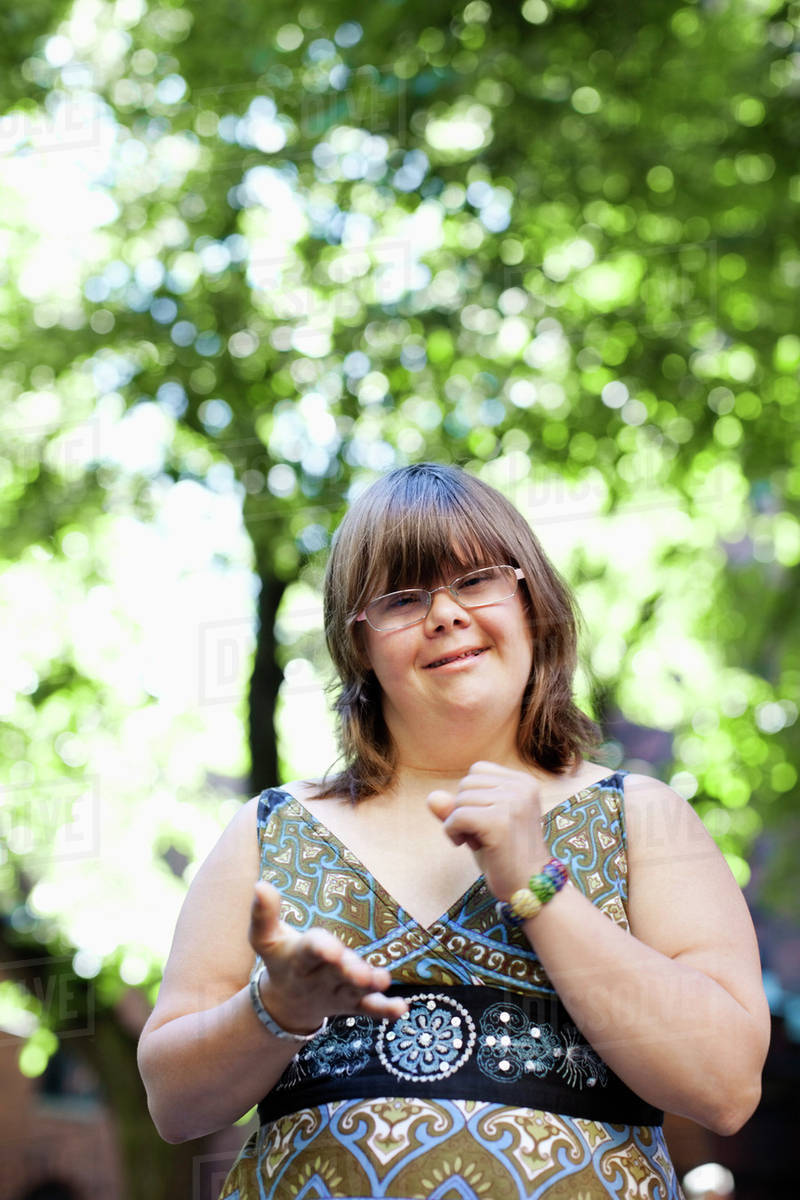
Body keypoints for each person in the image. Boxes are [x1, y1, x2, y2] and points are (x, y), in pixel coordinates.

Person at [138, 462, 770, 1199]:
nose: (444, 613)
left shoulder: (642, 816)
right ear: (361, 647)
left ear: (532, 601)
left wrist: (540, 885)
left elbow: (725, 1089)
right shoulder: (271, 830)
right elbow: (173, 1105)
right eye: (402, 598)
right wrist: (275, 1009)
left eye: (476, 582)